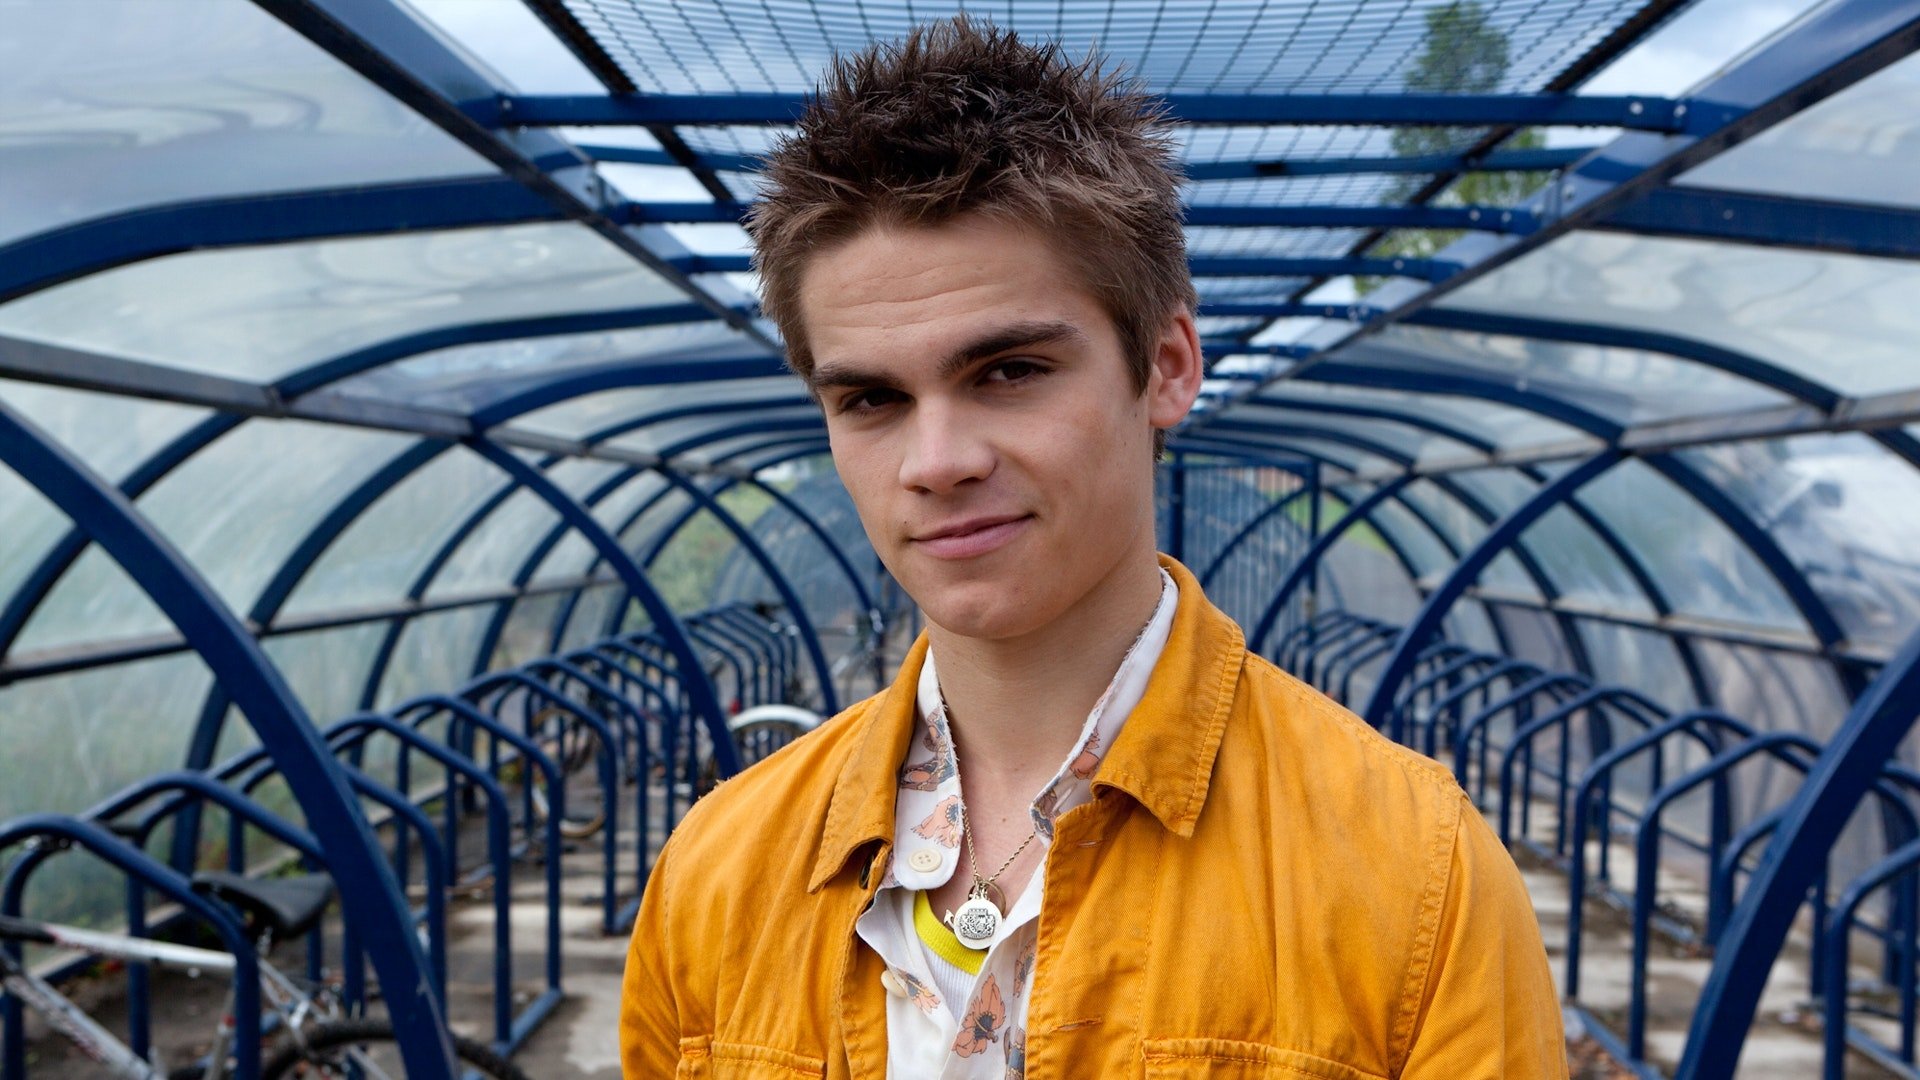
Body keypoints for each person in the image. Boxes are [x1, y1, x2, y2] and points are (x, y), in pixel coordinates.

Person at [621, 17, 1565, 1079]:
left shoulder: (1412, 873)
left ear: (1167, 366)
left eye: (1010, 371)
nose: (938, 461)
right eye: (871, 399)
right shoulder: (717, 871)